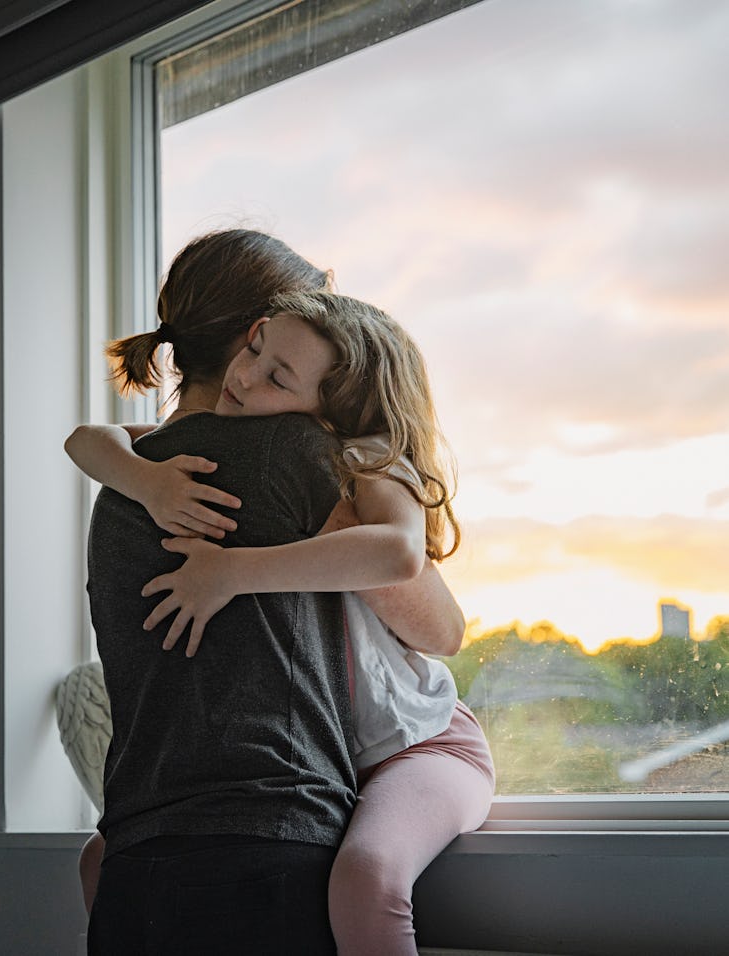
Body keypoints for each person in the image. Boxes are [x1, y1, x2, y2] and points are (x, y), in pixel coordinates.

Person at [69, 285, 494, 955]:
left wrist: (231, 573)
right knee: (102, 857)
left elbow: (401, 553)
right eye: (255, 348)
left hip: (423, 746)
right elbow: (88, 439)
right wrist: (144, 481)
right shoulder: (238, 447)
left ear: (331, 410)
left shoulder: (364, 460)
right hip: (341, 762)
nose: (244, 377)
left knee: (366, 876)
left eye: (277, 377)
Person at [81, 230, 357, 955]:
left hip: (134, 857)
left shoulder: (125, 483)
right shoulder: (296, 453)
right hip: (266, 845)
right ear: (254, 339)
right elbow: (435, 623)